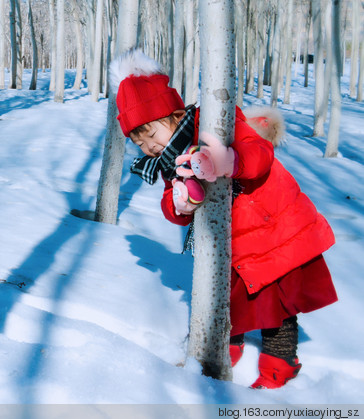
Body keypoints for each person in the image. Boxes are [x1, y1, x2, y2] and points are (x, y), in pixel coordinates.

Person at [111, 49, 338, 389]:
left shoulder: (216, 122)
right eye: (138, 142)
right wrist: (180, 205)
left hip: (273, 228)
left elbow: (259, 155)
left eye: (150, 135)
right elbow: (170, 208)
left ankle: (280, 367)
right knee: (229, 298)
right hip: (232, 242)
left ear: (172, 116)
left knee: (277, 307)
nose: (147, 147)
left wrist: (224, 159)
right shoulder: (170, 160)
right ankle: (221, 350)